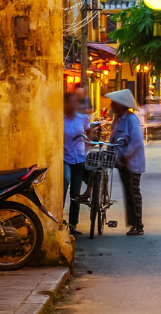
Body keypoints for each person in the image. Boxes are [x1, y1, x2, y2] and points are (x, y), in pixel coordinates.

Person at [106, 89, 146, 236]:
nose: (111, 105)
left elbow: (136, 141)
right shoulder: (117, 120)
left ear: (120, 105)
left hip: (132, 163)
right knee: (128, 192)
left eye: (113, 103)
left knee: (134, 192)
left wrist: (127, 155)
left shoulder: (131, 119)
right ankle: (133, 224)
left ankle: (138, 225)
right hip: (121, 162)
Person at [62, 91, 90, 235]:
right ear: (65, 103)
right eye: (70, 102)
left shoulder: (83, 118)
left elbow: (89, 132)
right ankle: (58, 220)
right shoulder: (59, 119)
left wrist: (87, 145)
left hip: (79, 157)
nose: (73, 105)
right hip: (65, 157)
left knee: (75, 192)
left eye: (75, 102)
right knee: (65, 180)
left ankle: (73, 224)